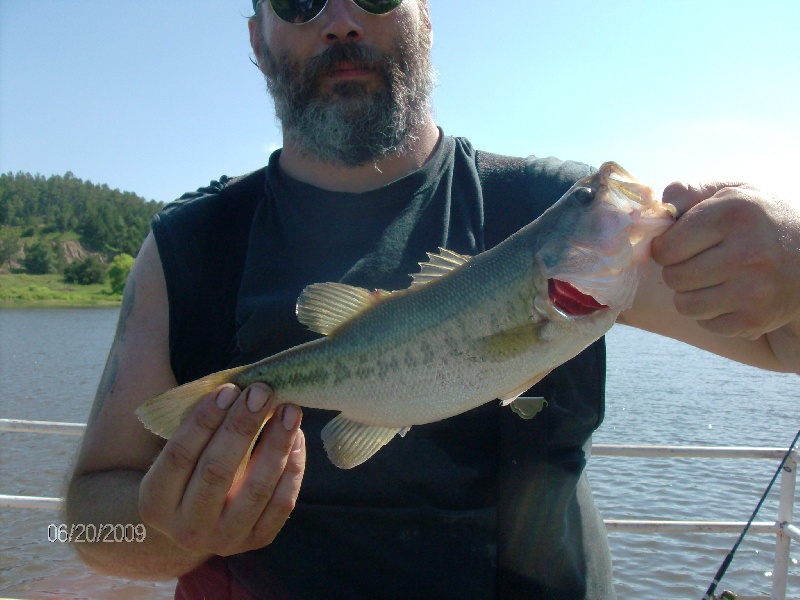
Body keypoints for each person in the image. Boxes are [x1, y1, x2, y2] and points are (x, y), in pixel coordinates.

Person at [65, 0, 800, 598]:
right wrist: (167, 532)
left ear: (427, 14)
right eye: (298, 1)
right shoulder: (187, 246)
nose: (343, 20)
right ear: (257, 37)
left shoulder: (556, 215)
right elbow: (90, 523)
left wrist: (792, 261)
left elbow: (781, 345)